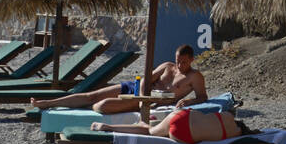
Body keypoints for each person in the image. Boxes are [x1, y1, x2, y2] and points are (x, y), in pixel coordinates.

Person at [30, 44, 208, 115]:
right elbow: (147, 78)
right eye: (178, 60)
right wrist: (140, 94)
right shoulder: (167, 66)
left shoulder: (195, 77)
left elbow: (203, 97)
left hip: (153, 103)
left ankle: (81, 106)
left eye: (184, 62)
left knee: (102, 105)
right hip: (139, 92)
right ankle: (48, 102)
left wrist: (188, 100)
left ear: (192, 59)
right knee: (93, 95)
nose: (180, 64)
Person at [89, 106, 251, 144]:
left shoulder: (228, 117)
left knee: (149, 129)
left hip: (182, 115)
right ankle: (109, 128)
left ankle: (109, 127)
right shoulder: (235, 135)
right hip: (183, 135)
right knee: (150, 132)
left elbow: (225, 111)